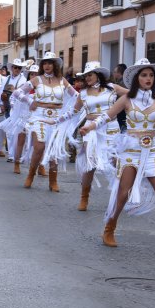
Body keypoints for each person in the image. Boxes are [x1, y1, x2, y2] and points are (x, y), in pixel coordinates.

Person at [80, 58, 155, 250]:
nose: (148, 78)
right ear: (136, 78)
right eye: (144, 75)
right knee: (123, 193)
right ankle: (109, 228)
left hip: (152, 152)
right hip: (131, 152)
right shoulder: (127, 99)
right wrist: (90, 126)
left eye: (151, 75)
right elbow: (107, 116)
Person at [48, 61, 120, 211]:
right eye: (85, 76)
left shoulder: (112, 89)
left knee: (116, 163)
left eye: (90, 75)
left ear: (98, 75)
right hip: (91, 130)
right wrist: (56, 120)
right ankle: (84, 197)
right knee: (90, 163)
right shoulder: (83, 93)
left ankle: (120, 197)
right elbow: (72, 112)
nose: (87, 78)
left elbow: (132, 96)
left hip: (111, 128)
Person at [11, 52, 79, 191]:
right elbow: (17, 93)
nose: (47, 65)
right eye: (45, 63)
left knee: (54, 149)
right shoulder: (37, 80)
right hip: (39, 116)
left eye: (50, 63)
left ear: (55, 65)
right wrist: (30, 100)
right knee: (39, 147)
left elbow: (77, 96)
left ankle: (53, 180)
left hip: (57, 117)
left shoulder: (62, 81)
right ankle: (31, 174)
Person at [0, 59, 28, 160]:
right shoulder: (6, 79)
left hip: (18, 108)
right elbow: (0, 92)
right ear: (12, 68)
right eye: (15, 67)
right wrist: (1, 104)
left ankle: (16, 154)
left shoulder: (23, 80)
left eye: (19, 68)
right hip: (7, 106)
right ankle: (11, 155)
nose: (17, 69)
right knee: (9, 131)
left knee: (16, 132)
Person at [113, 63, 128, 132]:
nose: (113, 74)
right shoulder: (122, 82)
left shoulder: (122, 84)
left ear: (119, 73)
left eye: (114, 72)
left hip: (122, 113)